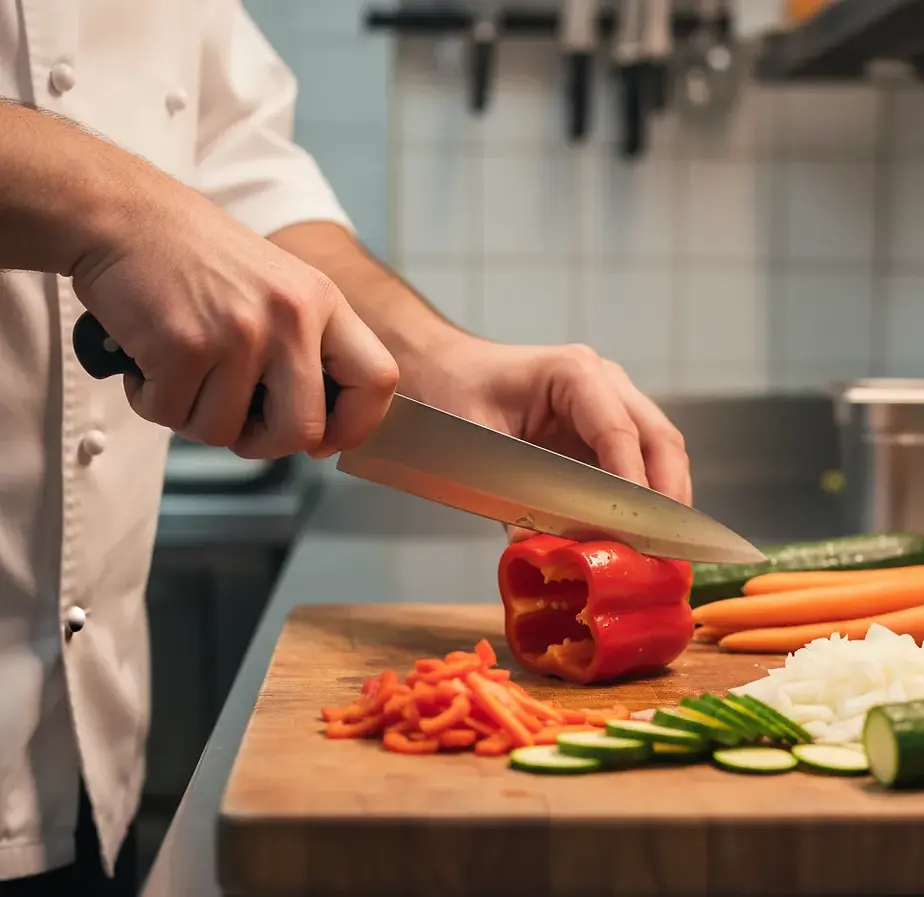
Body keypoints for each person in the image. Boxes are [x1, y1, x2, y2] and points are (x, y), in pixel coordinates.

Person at [0, 1, 691, 894]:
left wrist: (437, 360)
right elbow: (162, 215)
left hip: (92, 757)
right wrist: (113, 211)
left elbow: (244, 179)